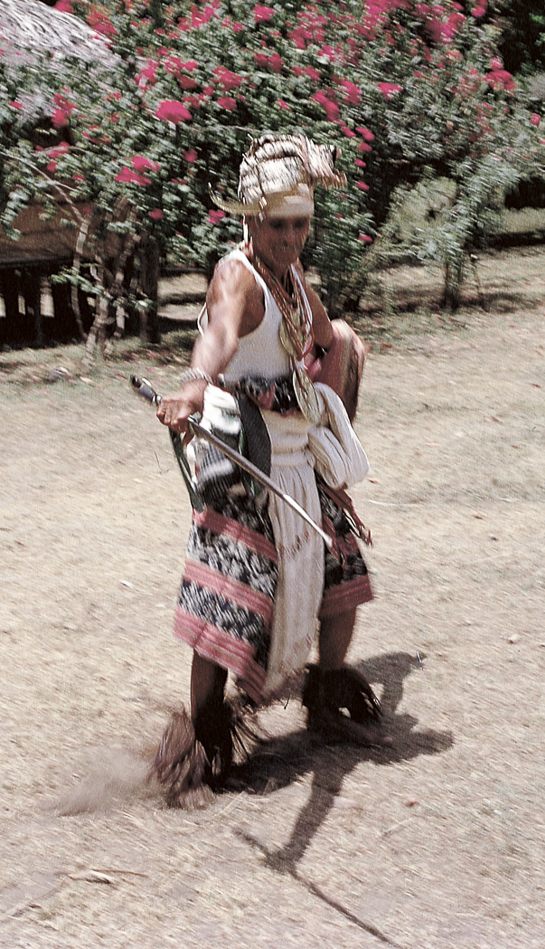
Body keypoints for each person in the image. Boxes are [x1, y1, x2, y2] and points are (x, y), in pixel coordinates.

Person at [153, 134, 382, 809]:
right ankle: (201, 740)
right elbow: (219, 335)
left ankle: (328, 693)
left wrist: (332, 378)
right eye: (278, 225)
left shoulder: (291, 280)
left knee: (345, 570)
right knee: (228, 602)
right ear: (251, 221)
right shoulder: (238, 276)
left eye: (301, 224)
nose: (290, 236)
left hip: (297, 457)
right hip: (246, 462)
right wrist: (197, 385)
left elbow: (322, 340)